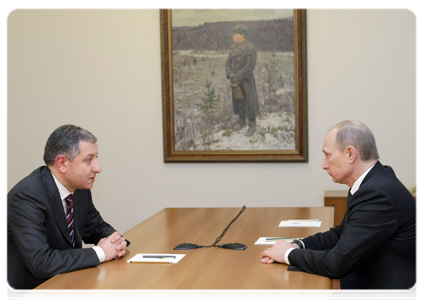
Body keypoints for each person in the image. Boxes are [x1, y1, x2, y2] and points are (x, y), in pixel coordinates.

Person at [260, 120, 420, 300]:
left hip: (385, 293)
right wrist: (298, 245)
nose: (324, 165)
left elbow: (336, 263)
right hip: (369, 281)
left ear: (351, 154)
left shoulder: (377, 195)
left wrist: (288, 254)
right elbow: (340, 234)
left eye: (328, 155)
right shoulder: (372, 183)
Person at [5, 125, 129, 300]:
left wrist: (117, 243)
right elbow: (42, 262)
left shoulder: (79, 189)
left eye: (96, 158)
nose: (97, 168)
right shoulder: (26, 196)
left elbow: (95, 228)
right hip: (28, 293)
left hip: (67, 285)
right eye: (89, 160)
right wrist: (101, 253)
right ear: (62, 163)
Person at [225, 25, 260, 137]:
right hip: (236, 81)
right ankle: (241, 122)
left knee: (250, 102)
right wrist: (230, 74)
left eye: (236, 35)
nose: (233, 37)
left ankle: (252, 125)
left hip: (246, 80)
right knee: (238, 100)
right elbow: (227, 63)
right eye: (233, 34)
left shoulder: (250, 48)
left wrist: (237, 76)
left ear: (242, 36)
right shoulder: (232, 48)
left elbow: (250, 67)